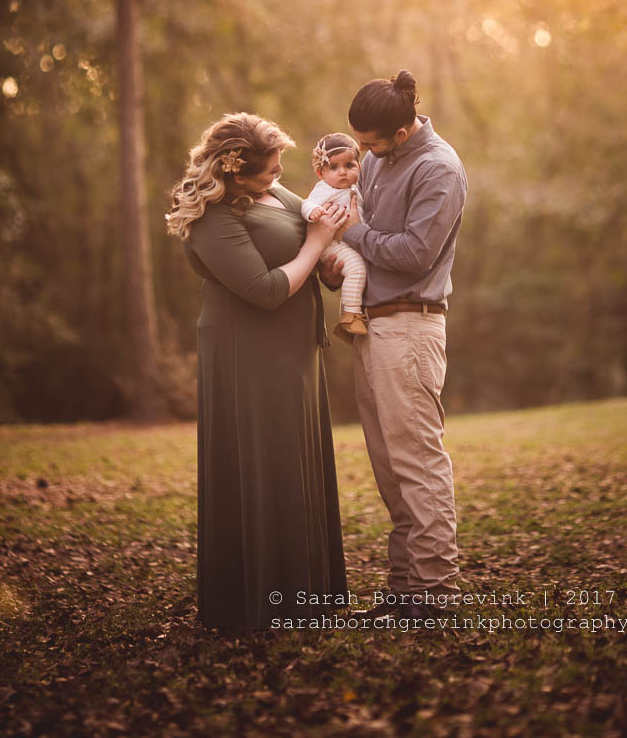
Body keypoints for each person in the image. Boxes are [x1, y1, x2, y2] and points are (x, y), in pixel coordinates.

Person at [166, 112, 349, 629]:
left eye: (279, 167)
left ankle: (312, 595)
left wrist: (331, 264)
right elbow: (267, 289)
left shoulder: (277, 194)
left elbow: (312, 239)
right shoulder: (212, 217)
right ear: (233, 172)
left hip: (296, 350)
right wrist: (316, 246)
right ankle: (265, 602)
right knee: (266, 464)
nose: (278, 176)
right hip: (248, 350)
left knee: (298, 461)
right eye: (268, 171)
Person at [335, 69, 468, 621]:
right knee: (389, 466)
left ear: (404, 130)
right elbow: (363, 226)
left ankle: (437, 590)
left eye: (369, 144)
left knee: (417, 459)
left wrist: (348, 231)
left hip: (411, 326)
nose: (361, 155)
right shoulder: (377, 158)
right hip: (372, 325)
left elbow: (415, 253)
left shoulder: (439, 168)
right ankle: (404, 588)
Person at [301, 133, 368, 342]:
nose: (343, 173)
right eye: (334, 167)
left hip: (349, 241)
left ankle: (349, 315)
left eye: (349, 166)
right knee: (357, 268)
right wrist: (312, 212)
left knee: (356, 271)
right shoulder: (324, 189)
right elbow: (306, 203)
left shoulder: (358, 189)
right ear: (321, 173)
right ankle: (351, 316)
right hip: (331, 244)